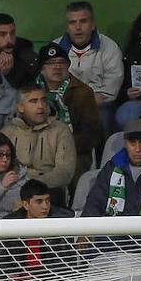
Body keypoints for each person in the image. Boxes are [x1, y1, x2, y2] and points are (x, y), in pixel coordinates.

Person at [35, 43, 100, 185]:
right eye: (51, 63)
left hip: (73, 150)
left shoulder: (83, 92)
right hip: (35, 147)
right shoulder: (30, 91)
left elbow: (91, 134)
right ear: (41, 69)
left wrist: (62, 146)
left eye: (61, 62)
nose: (57, 67)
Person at [1, 85, 75, 207]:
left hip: (49, 190)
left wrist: (32, 185)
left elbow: (65, 173)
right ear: (21, 107)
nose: (41, 106)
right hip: (13, 189)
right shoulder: (7, 133)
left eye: (44, 100)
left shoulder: (60, 130)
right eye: (33, 101)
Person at [55, 2, 123, 117]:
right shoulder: (55, 49)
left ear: (92, 25)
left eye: (83, 21)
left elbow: (110, 91)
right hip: (63, 103)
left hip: (98, 106)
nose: (78, 27)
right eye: (72, 22)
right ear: (67, 28)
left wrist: (86, 101)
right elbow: (49, 85)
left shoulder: (109, 47)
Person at [0, 13, 38, 89]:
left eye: (12, 33)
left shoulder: (25, 55)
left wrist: (9, 75)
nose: (9, 40)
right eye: (2, 35)